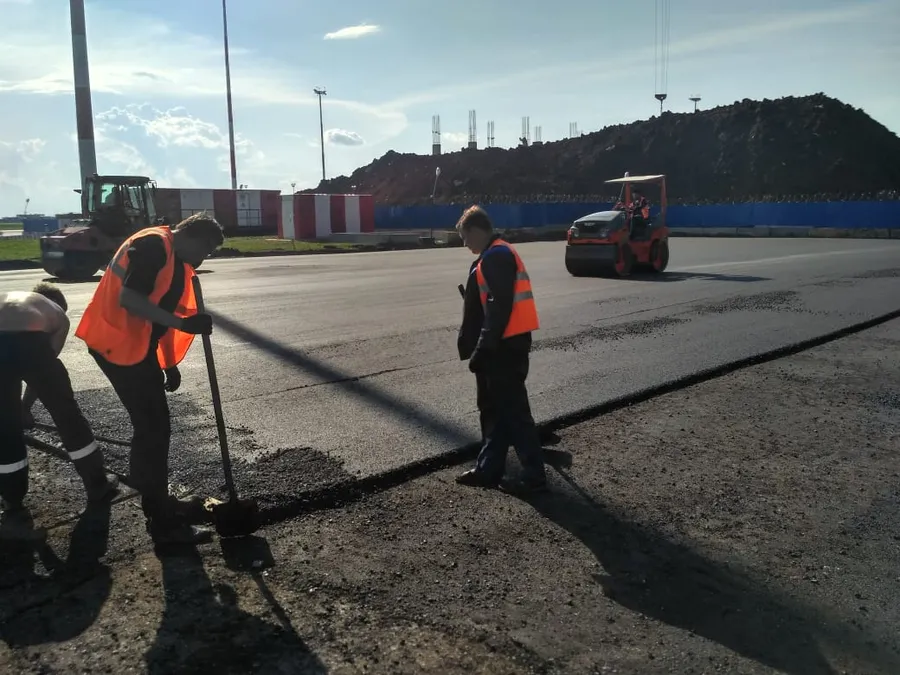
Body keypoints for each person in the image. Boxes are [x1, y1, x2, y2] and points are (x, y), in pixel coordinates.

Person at [74, 212, 224, 545]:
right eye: (207, 250)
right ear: (193, 238)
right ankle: (162, 520)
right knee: (153, 428)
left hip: (134, 346)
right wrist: (185, 325)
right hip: (116, 344)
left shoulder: (174, 258)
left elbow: (160, 320)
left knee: (153, 427)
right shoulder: (154, 246)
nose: (204, 259)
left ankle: (156, 499)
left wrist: (168, 364)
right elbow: (131, 300)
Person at [0, 283, 119, 515]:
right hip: (30, 343)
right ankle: (97, 485)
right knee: (67, 417)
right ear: (58, 303)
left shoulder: (10, 298)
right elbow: (44, 372)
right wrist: (25, 406)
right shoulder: (57, 313)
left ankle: (12, 501)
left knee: (5, 426)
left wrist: (19, 410)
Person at [454, 205, 548, 495]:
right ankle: (489, 468)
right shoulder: (491, 256)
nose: (464, 243)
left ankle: (533, 474)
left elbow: (499, 308)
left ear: (475, 230)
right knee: (493, 411)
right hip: (501, 346)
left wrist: (483, 348)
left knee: (514, 412)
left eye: (464, 236)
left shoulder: (497, 256)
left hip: (504, 349)